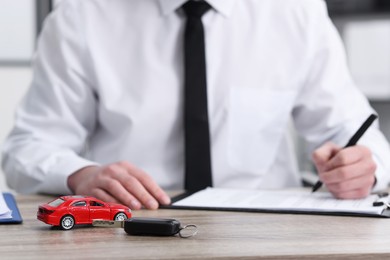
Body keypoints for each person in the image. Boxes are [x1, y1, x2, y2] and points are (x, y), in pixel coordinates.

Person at [2, 0, 390, 210]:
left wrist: (364, 168)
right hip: (132, 227)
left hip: (269, 235)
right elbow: (28, 147)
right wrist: (79, 174)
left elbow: (358, 136)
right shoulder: (80, 16)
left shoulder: (296, 12)